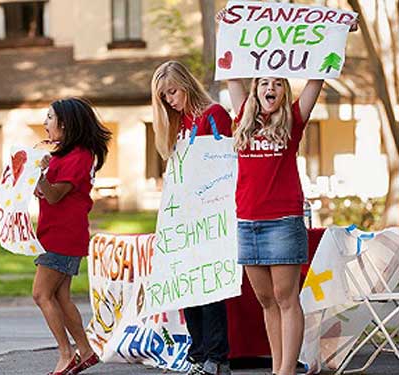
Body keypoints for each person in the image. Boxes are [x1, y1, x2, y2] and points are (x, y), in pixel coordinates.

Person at [217, 11, 358, 375]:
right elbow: (231, 65)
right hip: (247, 221)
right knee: (265, 300)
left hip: (282, 220)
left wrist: (339, 33)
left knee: (285, 298)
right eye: (264, 82)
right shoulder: (241, 122)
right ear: (255, 90)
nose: (270, 88)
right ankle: (279, 367)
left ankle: (285, 372)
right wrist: (228, 25)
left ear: (284, 91)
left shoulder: (293, 120)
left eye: (278, 83)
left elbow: (318, 75)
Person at [151, 60, 233, 375]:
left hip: (211, 214)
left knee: (208, 288)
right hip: (184, 217)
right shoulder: (179, 123)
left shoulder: (214, 115)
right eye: (164, 97)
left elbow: (222, 163)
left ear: (186, 84)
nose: (170, 100)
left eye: (172, 92)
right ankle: (198, 355)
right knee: (188, 288)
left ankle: (217, 357)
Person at [33, 97, 111, 375]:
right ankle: (86, 352)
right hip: (57, 233)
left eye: (50, 118)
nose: (45, 124)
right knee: (61, 297)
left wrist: (37, 176)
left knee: (41, 294)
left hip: (62, 236)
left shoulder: (78, 156)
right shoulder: (66, 154)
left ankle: (66, 354)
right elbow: (50, 193)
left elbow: (54, 195)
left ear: (65, 124)